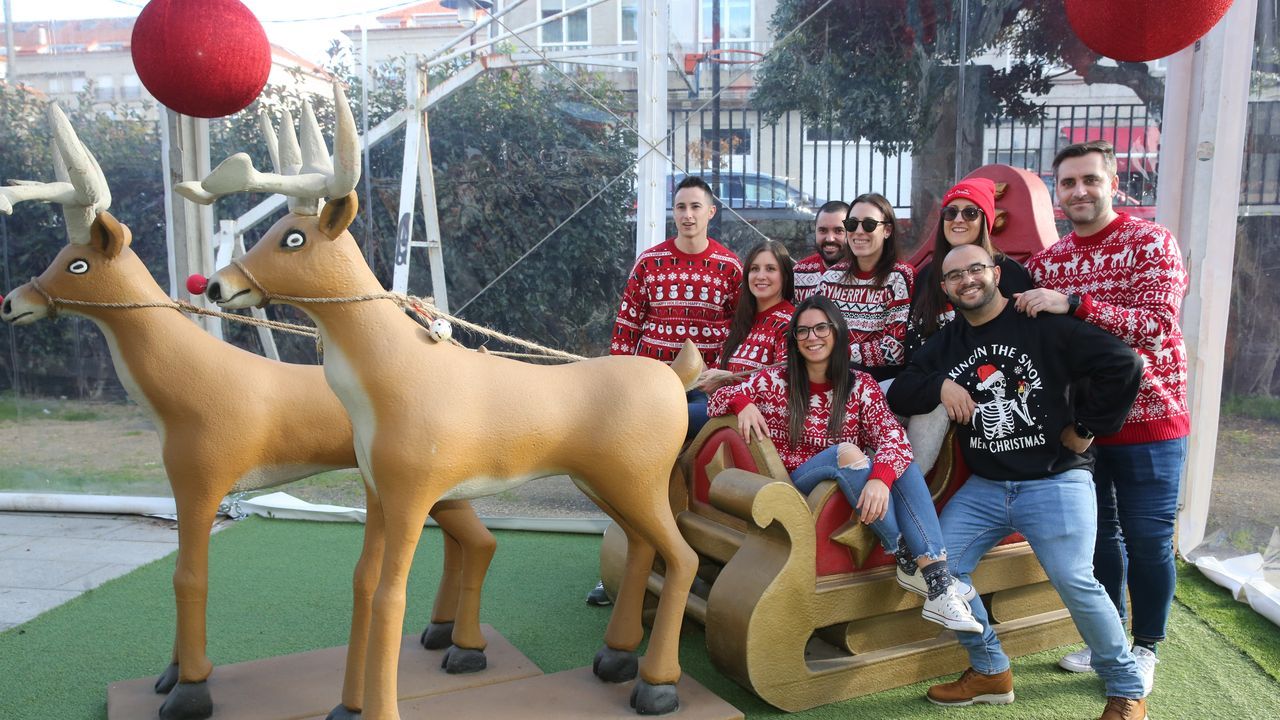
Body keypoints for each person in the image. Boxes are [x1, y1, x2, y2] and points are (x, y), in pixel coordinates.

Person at [888, 244, 1148, 720]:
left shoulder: (1040, 322)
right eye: (954, 276)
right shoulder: (948, 343)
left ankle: (1126, 687)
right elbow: (903, 386)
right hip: (986, 487)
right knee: (940, 575)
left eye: (975, 269)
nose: (966, 280)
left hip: (1055, 480)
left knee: (1074, 578)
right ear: (945, 289)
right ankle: (989, 669)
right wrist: (940, 386)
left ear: (995, 272)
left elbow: (1125, 364)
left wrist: (1087, 427)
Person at [1015, 140, 1189, 694]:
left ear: (1113, 183)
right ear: (1058, 193)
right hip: (1081, 429)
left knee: (1147, 538)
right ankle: (1108, 642)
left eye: (1090, 179)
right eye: (1067, 183)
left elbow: (1156, 326)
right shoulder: (1049, 261)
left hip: (1150, 423)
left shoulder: (1151, 243)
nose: (1079, 191)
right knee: (1099, 540)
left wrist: (1076, 303)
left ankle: (1147, 648)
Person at [707, 295, 982, 634]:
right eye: (803, 331)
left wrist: (880, 479)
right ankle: (912, 560)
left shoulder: (861, 386)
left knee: (895, 459)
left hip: (844, 482)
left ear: (837, 332)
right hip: (795, 485)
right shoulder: (775, 382)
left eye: (821, 327)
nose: (812, 337)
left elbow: (892, 437)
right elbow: (715, 400)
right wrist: (742, 402)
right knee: (850, 452)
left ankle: (935, 579)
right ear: (794, 340)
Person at [595, 175, 742, 606]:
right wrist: (621, 385)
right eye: (681, 207)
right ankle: (619, 569)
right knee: (629, 473)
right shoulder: (650, 263)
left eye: (696, 206)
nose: (688, 215)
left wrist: (728, 376)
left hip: (705, 391)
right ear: (673, 212)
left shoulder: (730, 268)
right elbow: (626, 328)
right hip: (651, 391)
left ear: (711, 212)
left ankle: (692, 564)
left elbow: (739, 332)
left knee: (692, 473)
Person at [904, 178, 1034, 473]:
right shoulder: (926, 276)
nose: (958, 219)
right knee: (865, 394)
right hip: (927, 380)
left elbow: (1018, 343)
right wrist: (932, 384)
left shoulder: (1008, 274)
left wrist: (944, 387)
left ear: (985, 220)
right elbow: (913, 344)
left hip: (977, 389)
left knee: (930, 409)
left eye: (970, 212)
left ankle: (903, 497)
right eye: (951, 212)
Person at [695, 239, 795, 397]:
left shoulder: (790, 323)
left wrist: (727, 381)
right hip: (723, 412)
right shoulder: (741, 321)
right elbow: (719, 372)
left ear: (785, 276)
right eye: (754, 269)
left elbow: (783, 381)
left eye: (770, 269)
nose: (761, 276)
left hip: (758, 418)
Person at [793, 200, 850, 303]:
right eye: (823, 230)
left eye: (838, 231)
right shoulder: (799, 272)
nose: (830, 239)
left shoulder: (864, 274)